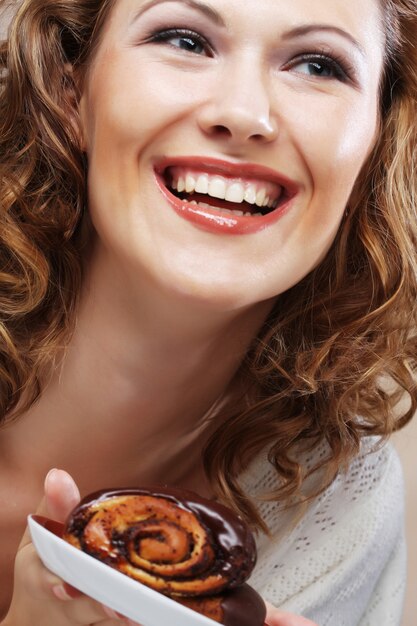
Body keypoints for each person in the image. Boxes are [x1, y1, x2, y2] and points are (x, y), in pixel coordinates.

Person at [0, 0, 416, 624]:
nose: (243, 115)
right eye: (185, 40)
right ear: (69, 90)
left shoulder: (338, 511)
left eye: (317, 64)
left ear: (371, 151)